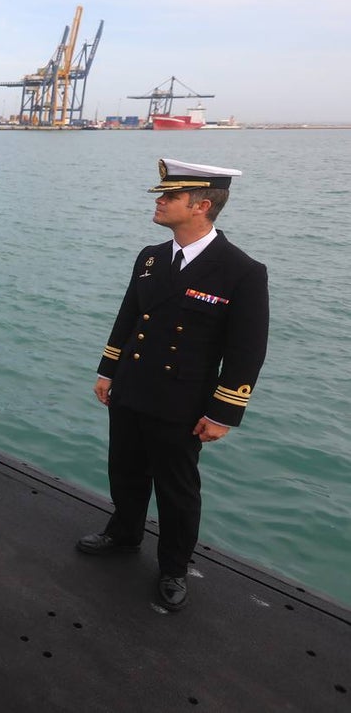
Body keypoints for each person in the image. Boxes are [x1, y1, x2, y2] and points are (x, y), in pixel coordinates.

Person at [77, 158, 269, 612]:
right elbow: (128, 317)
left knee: (177, 489)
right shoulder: (151, 257)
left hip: (182, 402)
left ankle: (174, 567)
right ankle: (124, 534)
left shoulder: (241, 270)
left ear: (202, 205)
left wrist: (224, 413)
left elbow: (247, 350)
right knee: (124, 470)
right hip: (131, 387)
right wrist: (108, 371)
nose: (159, 202)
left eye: (169, 197)